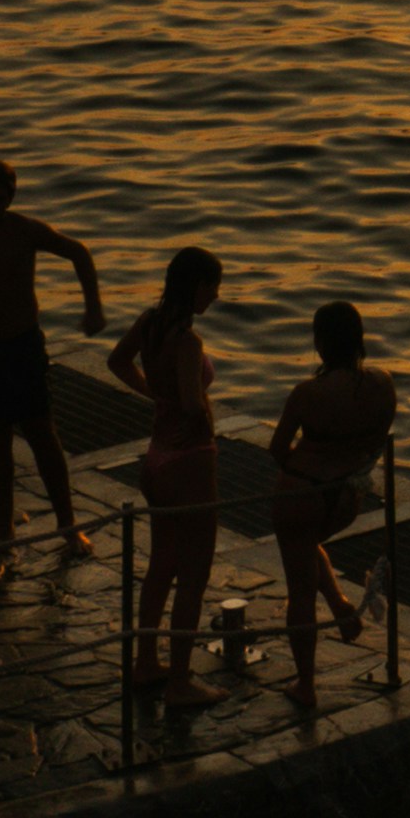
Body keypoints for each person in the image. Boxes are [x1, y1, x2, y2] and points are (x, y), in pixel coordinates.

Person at [0, 155, 105, 555]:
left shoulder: (24, 231)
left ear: (10, 202)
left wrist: (93, 306)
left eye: (0, 198)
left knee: (42, 435)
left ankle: (68, 526)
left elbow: (78, 252)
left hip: (20, 348)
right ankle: (3, 528)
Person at [109, 247, 228, 699]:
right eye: (212, 286)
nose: (215, 296)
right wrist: (198, 408)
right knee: (194, 573)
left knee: (161, 565)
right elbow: (192, 404)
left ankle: (145, 662)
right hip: (189, 460)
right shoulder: (187, 341)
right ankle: (179, 679)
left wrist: (151, 395)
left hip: (156, 456)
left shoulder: (149, 322)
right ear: (196, 285)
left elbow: (116, 362)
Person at [266, 302, 395, 701]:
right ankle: (341, 608)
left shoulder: (308, 393)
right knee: (308, 546)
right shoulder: (382, 385)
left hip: (303, 493)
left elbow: (276, 448)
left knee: (299, 589)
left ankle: (305, 685)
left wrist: (300, 471)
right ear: (359, 341)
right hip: (347, 498)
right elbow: (374, 441)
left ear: (320, 345)